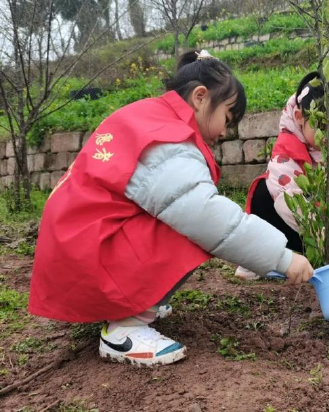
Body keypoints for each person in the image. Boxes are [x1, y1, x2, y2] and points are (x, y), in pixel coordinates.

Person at [29, 50, 314, 366]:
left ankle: (136, 301)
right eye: (226, 118)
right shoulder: (169, 139)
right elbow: (205, 215)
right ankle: (124, 330)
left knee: (186, 216)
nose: (224, 132)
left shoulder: (151, 117)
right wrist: (283, 257)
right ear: (201, 97)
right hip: (86, 258)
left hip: (76, 250)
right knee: (192, 225)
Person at [235, 71, 329, 287]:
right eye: (321, 127)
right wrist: (318, 233)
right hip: (299, 224)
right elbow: (287, 198)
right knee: (263, 193)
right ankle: (269, 255)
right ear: (299, 117)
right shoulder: (287, 145)